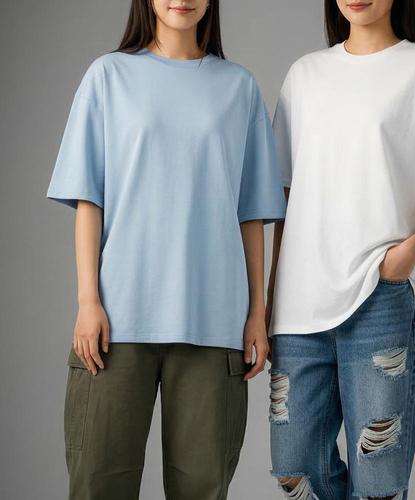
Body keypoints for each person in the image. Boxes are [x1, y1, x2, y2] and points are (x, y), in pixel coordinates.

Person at [47, 1, 286, 499]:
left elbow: (250, 214)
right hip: (116, 321)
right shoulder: (108, 76)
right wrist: (88, 301)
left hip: (213, 323)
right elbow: (90, 199)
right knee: (98, 485)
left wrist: (256, 313)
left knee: (203, 489)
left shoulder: (239, 88)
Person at [266, 1, 415, 499]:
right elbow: (285, 196)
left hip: (379, 297)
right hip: (298, 305)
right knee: (296, 470)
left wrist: (404, 257)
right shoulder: (304, 75)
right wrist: (271, 296)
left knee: (377, 482)